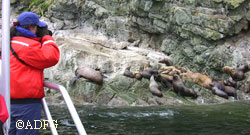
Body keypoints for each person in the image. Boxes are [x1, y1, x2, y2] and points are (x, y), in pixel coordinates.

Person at [9, 11, 60, 135]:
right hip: (26, 105)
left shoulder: (11, 43)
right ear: (32, 27)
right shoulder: (26, 45)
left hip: (11, 102)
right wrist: (47, 37)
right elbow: (51, 57)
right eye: (37, 27)